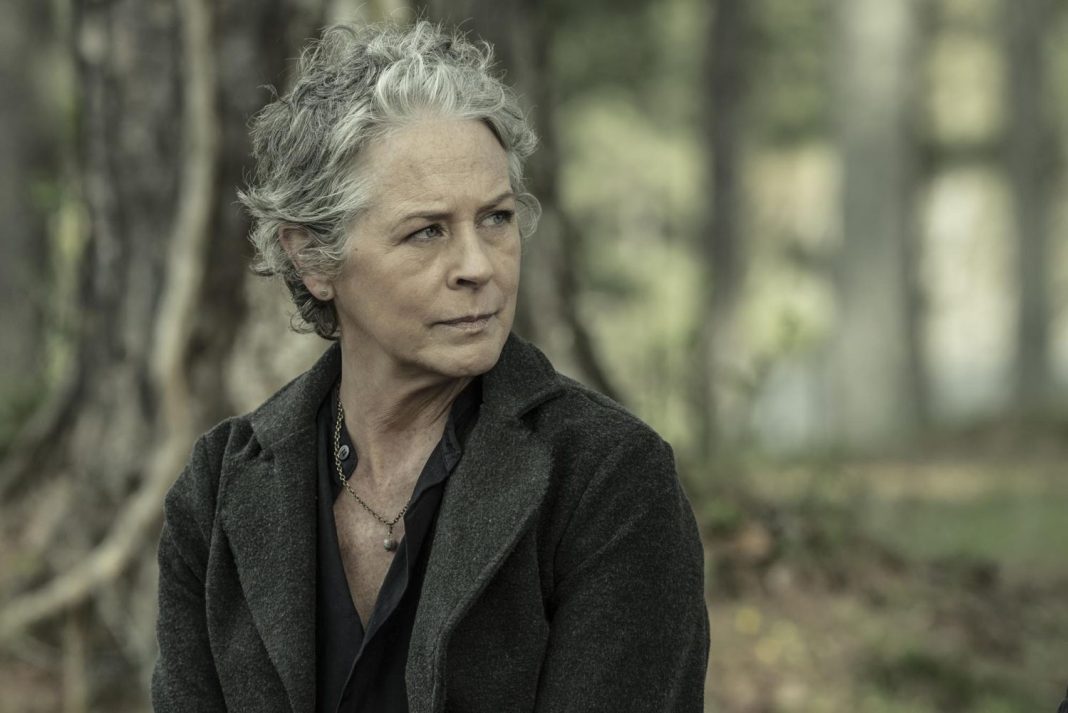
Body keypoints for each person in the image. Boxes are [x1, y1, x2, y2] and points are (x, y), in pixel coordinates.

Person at [151, 20, 708, 713]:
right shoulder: (219, 487)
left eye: (496, 218)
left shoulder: (608, 479)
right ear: (312, 257)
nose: (478, 267)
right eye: (427, 231)